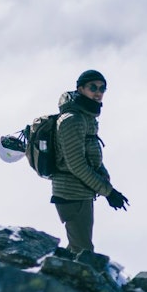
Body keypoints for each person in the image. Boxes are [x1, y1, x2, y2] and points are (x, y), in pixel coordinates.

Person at [51, 69, 128, 255]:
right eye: (93, 87)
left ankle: (55, 275)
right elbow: (76, 165)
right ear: (80, 89)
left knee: (78, 249)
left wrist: (104, 178)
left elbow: (89, 156)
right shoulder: (73, 120)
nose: (98, 92)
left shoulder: (86, 117)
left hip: (80, 193)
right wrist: (108, 192)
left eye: (102, 88)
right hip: (71, 195)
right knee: (82, 252)